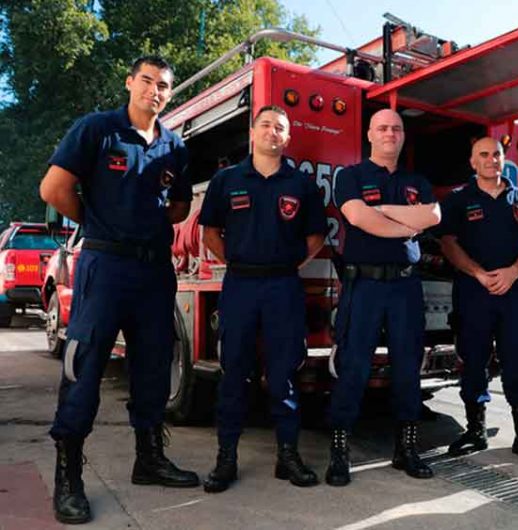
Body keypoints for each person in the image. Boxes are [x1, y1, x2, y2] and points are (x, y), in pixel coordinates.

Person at [39, 56, 199, 524]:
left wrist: (145, 224)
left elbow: (180, 205)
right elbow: (54, 188)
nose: (155, 90)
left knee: (153, 366)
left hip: (154, 272)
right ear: (129, 82)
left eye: (163, 85)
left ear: (170, 94)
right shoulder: (97, 130)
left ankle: (149, 459)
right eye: (146, 80)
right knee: (84, 366)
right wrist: (97, 221)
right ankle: (68, 476)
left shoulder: (174, 147)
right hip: (105, 266)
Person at [199, 105, 327, 493]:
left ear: (287, 139)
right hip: (240, 286)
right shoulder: (227, 180)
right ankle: (226, 458)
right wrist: (239, 262)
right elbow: (210, 233)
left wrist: (285, 266)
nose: (273, 132)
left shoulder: (302, 185)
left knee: (284, 375)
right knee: (234, 372)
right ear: (253, 134)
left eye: (280, 128)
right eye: (266, 125)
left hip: (283, 288)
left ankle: (287, 456)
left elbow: (316, 238)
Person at [325, 109, 441, 486]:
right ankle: (339, 452)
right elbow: (358, 218)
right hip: (365, 287)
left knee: (408, 368)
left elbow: (433, 217)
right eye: (383, 128)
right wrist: (408, 224)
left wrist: (386, 212)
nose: (390, 133)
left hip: (406, 288)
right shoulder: (350, 176)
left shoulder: (417, 181)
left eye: (396, 128)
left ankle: (406, 450)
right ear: (370, 135)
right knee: (354, 367)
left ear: (403, 136)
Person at [438, 137, 518, 465]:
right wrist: (477, 273)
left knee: (517, 361)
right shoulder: (458, 200)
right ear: (473, 162)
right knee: (473, 359)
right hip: (473, 292)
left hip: (512, 292)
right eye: (484, 155)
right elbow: (448, 243)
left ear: (504, 160)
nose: (491, 160)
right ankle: (475, 430)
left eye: (497, 155)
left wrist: (514, 271)